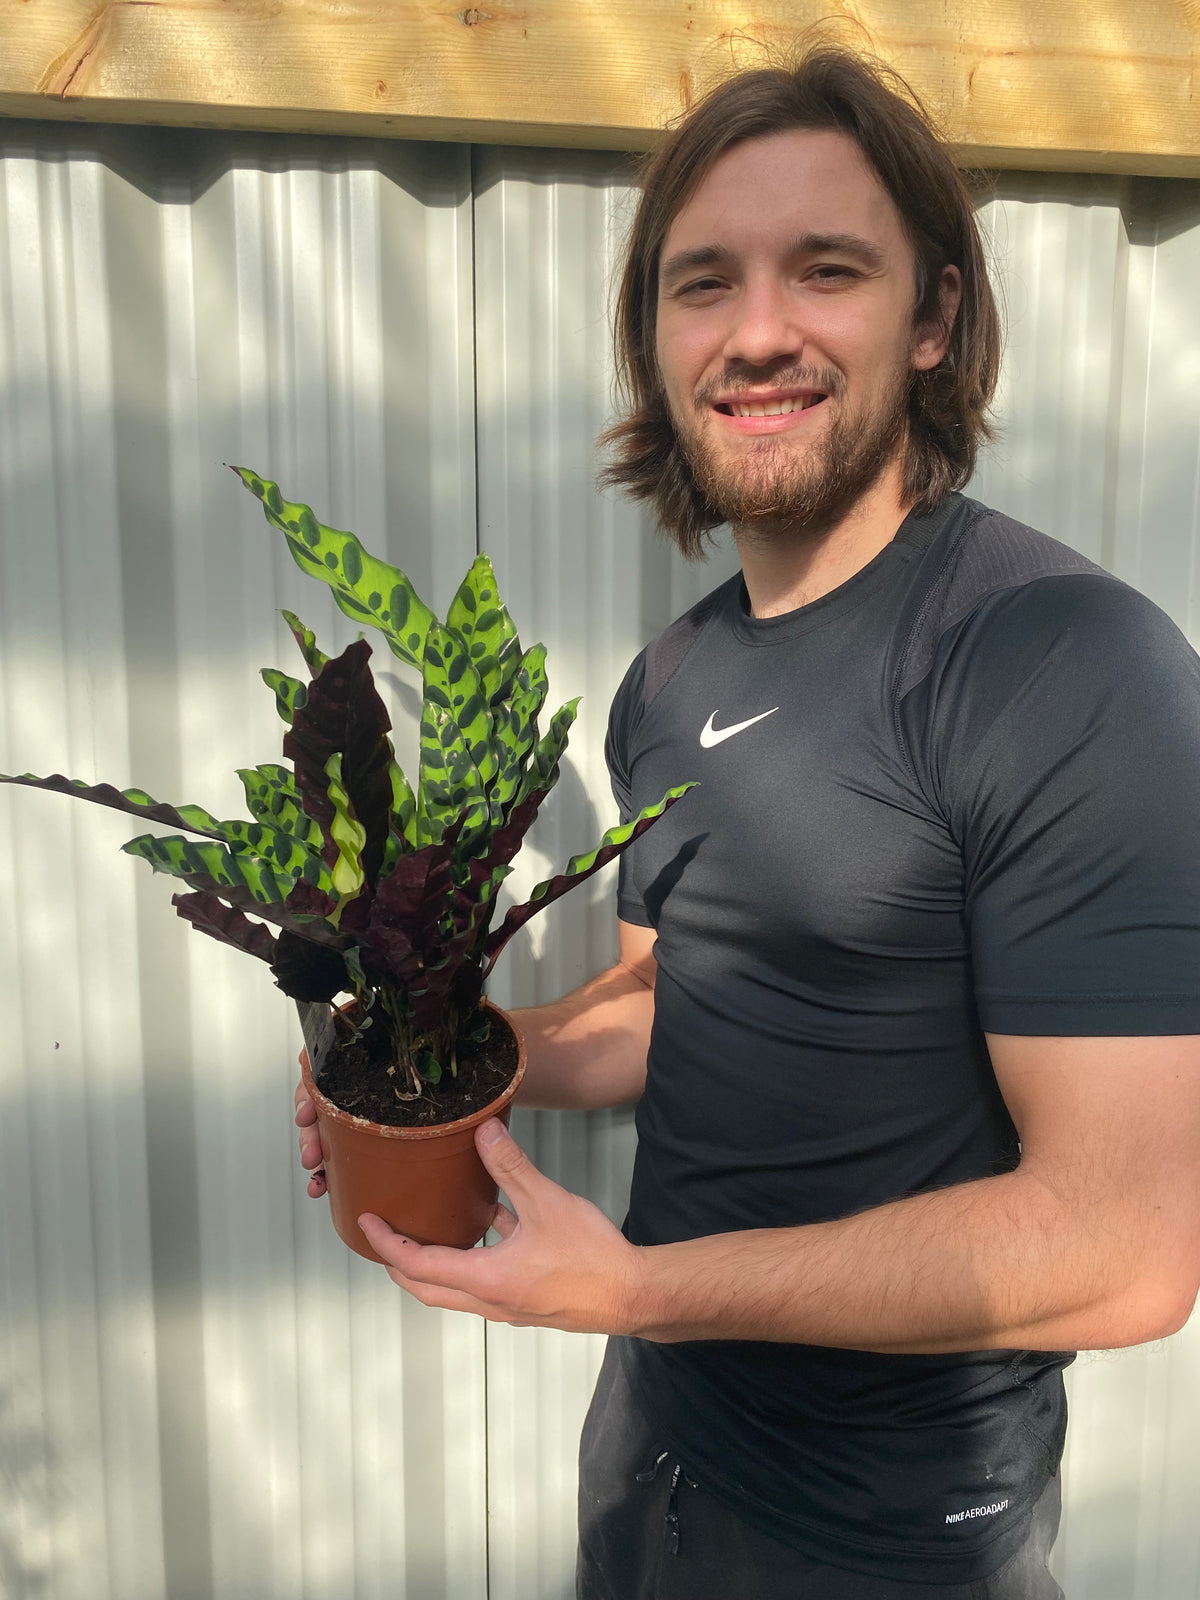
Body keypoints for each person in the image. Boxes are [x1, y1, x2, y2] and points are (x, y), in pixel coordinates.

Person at [295, 47, 1200, 1599]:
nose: (758, 330)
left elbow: (1128, 1251)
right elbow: (668, 999)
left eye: (826, 269)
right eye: (703, 282)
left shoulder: (1060, 664)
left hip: (888, 1531)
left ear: (935, 318)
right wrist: (436, 1064)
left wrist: (636, 1289)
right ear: (655, 341)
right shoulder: (674, 678)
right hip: (653, 1433)